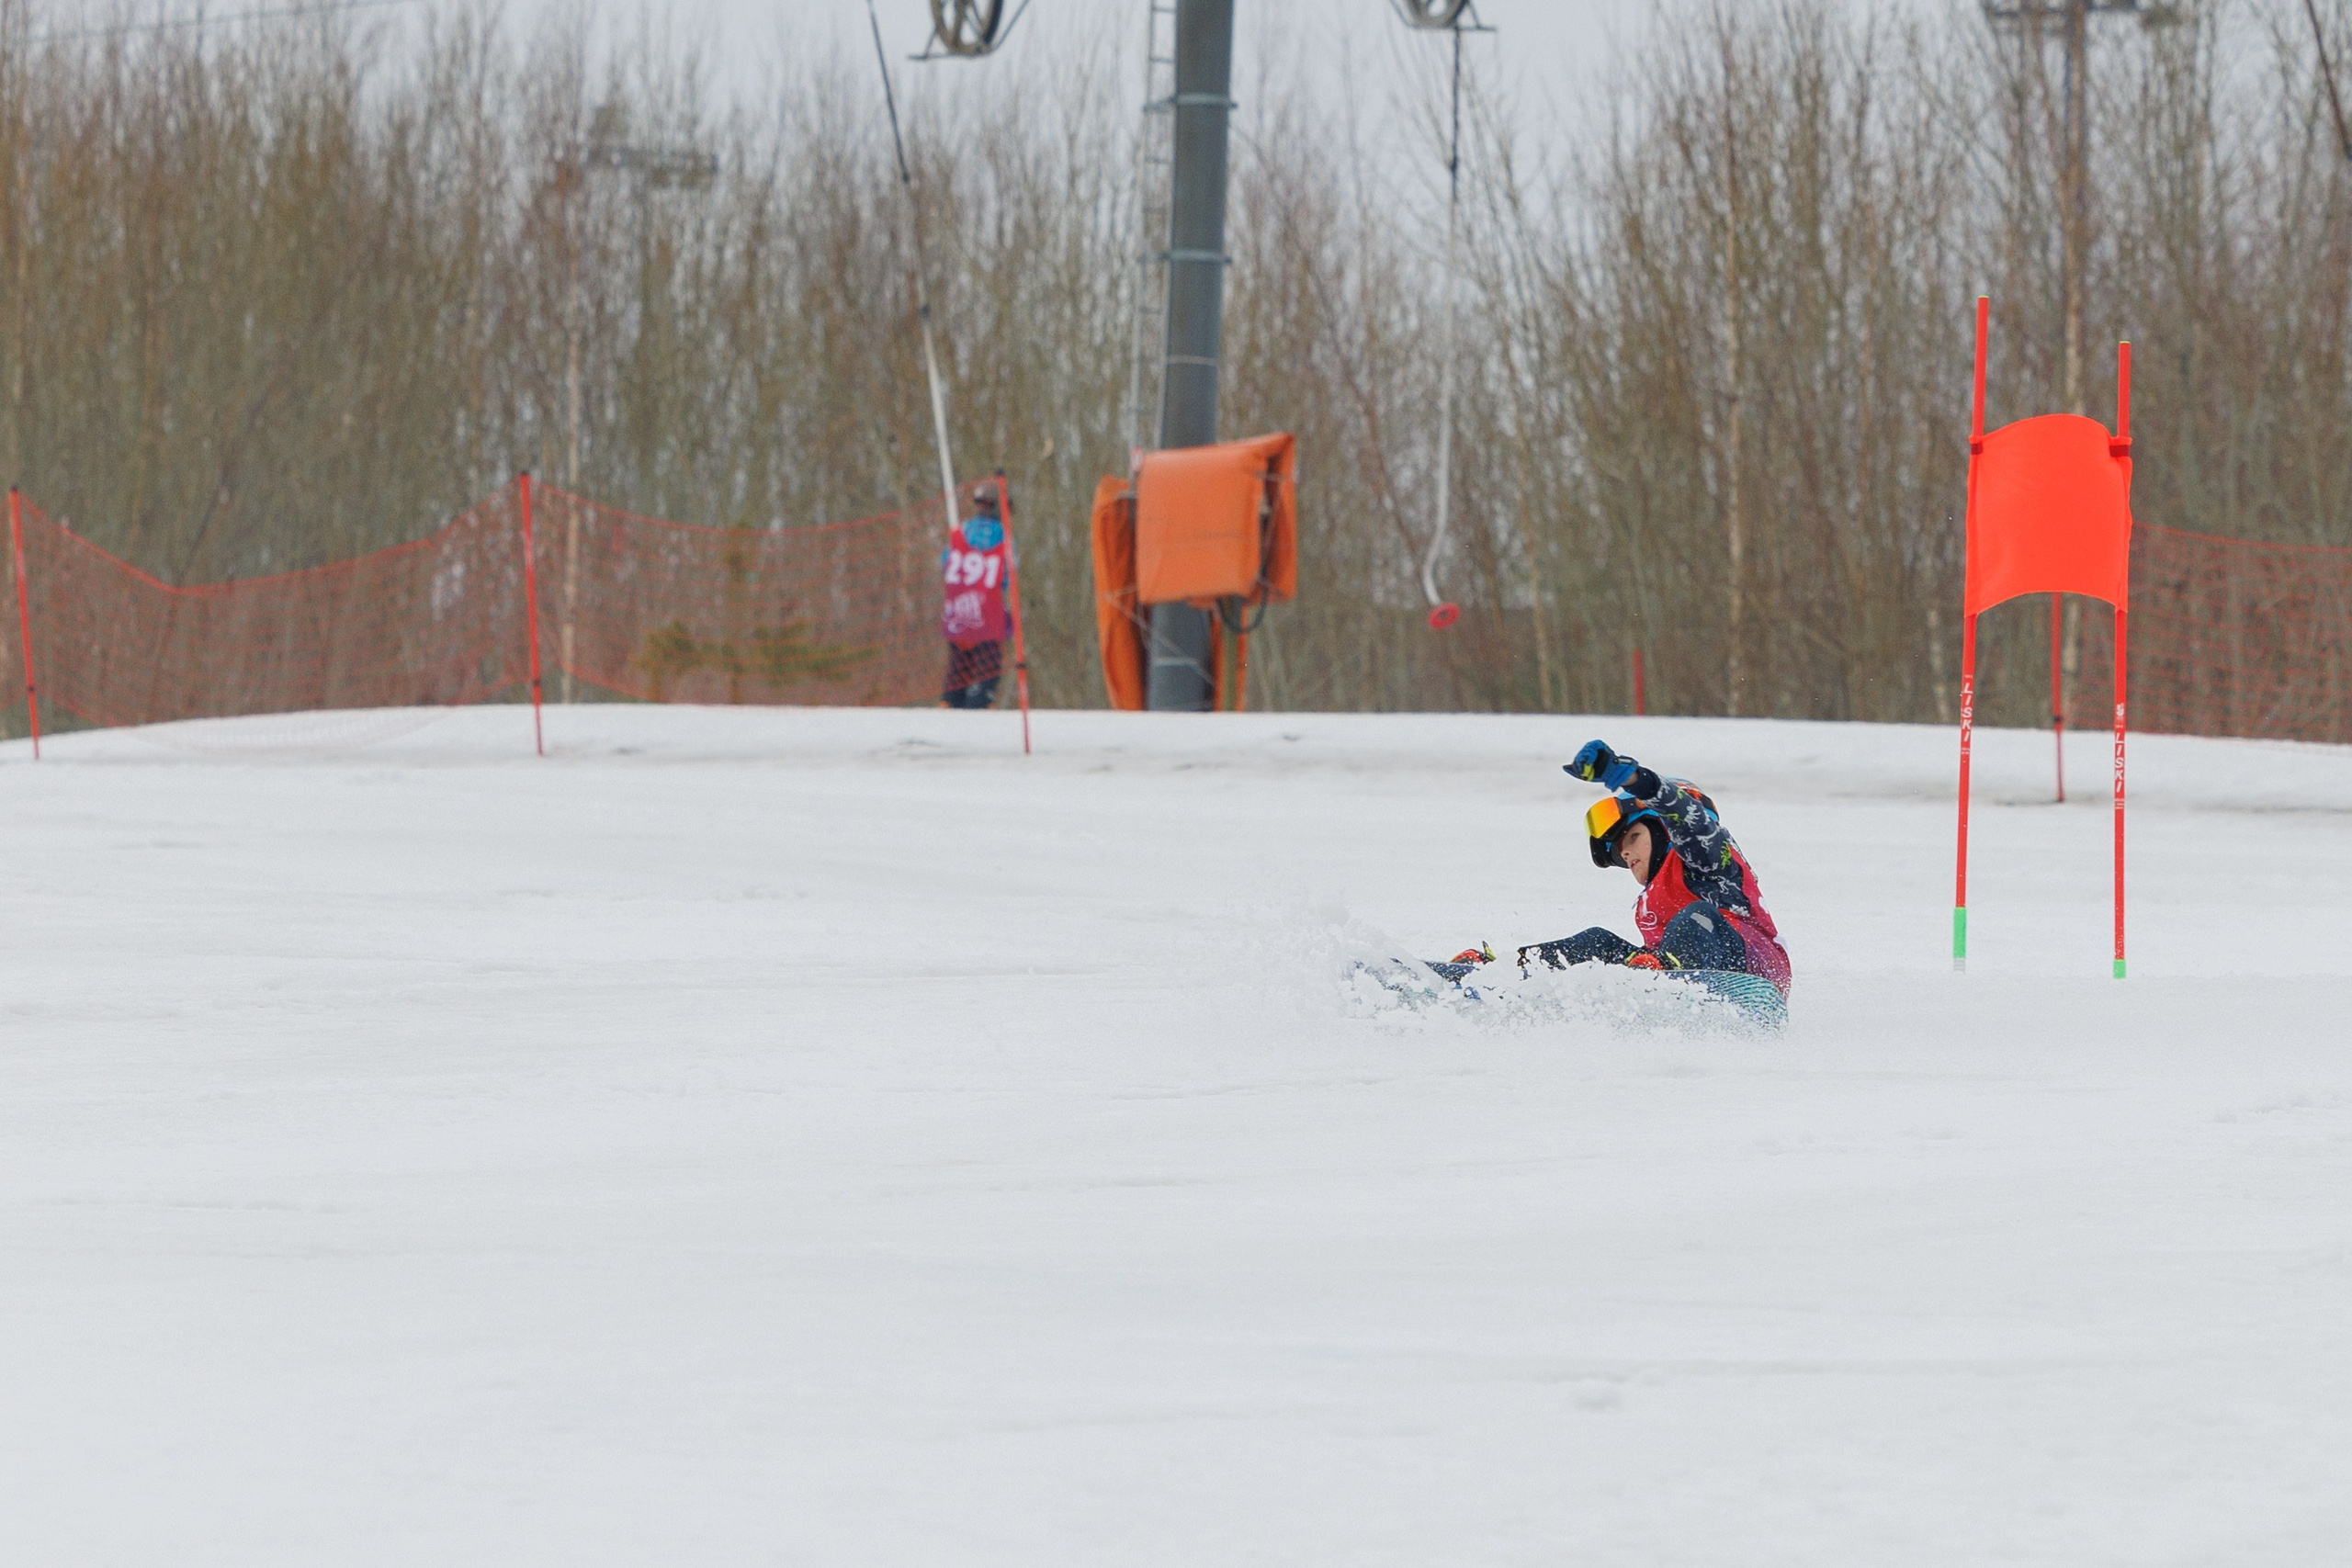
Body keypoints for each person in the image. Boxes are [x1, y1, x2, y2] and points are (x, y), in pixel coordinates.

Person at [1520, 739, 1792, 995]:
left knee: (1697, 916)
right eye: (1619, 851)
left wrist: (1633, 779)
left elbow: (1685, 816)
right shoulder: (1654, 895)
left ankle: (1658, 981)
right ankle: (1517, 972)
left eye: (1633, 837)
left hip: (1751, 968)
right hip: (1681, 970)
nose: (1625, 852)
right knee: (1597, 941)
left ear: (1665, 829)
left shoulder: (1708, 855)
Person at [940, 480, 1014, 709]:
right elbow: (1007, 575)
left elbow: (946, 563)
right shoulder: (1003, 537)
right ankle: (979, 708)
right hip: (988, 615)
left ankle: (949, 704)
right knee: (987, 668)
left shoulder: (962, 531)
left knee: (958, 667)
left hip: (959, 613)